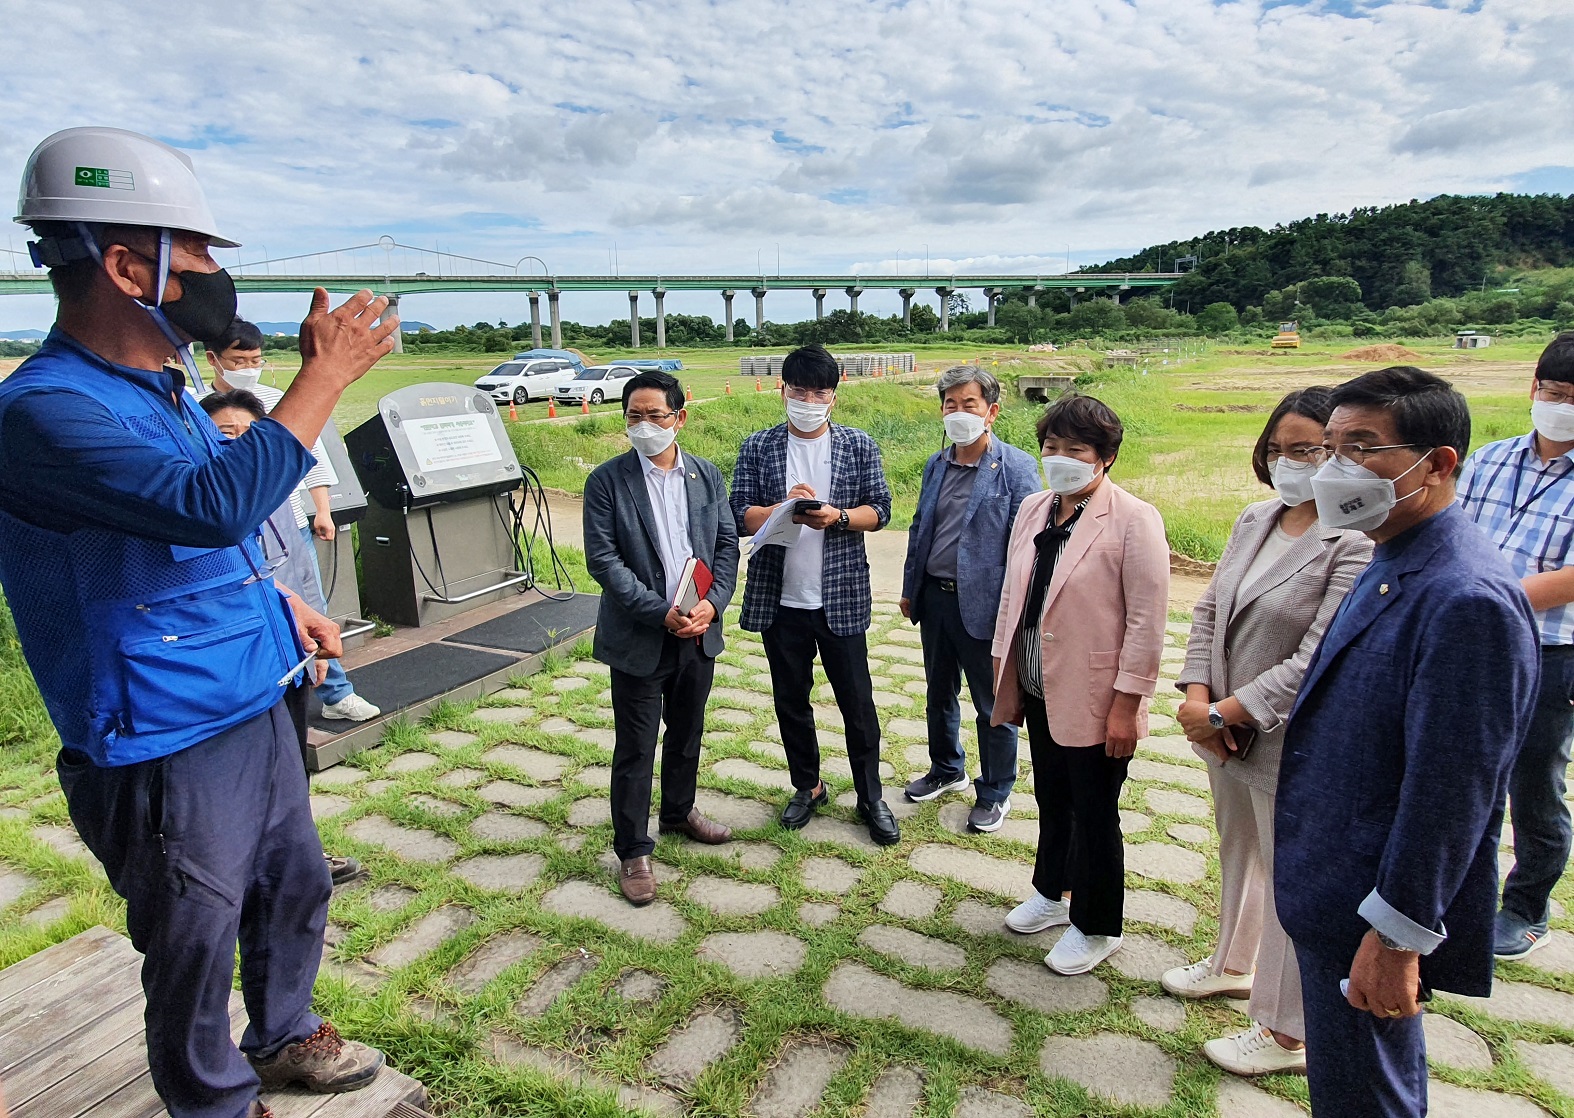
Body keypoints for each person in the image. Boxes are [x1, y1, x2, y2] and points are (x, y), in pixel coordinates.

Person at [0, 127, 397, 1118]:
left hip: (251, 687)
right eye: (203, 251)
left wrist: (281, 600)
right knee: (193, 932)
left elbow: (199, 543)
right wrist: (324, 376)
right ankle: (215, 1100)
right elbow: (208, 505)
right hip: (164, 730)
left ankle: (286, 1029)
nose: (220, 274)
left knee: (293, 883)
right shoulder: (44, 411)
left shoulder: (160, 389)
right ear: (130, 264)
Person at [1276, 366, 1539, 1117]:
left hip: (1371, 907)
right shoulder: (1392, 549)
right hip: (1336, 884)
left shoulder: (1465, 600)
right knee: (1352, 1082)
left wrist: (1397, 939)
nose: (1337, 468)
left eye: (1363, 447)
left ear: (1439, 463)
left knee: (1368, 1097)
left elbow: (1452, 793)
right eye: (1331, 447)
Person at [1162, 388, 1374, 1077]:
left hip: (1288, 738)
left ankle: (1287, 1031)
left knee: (1293, 881)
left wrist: (1227, 711)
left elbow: (1317, 654)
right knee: (1238, 852)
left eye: (1308, 449)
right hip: (1221, 729)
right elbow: (1208, 609)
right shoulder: (1257, 517)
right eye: (1278, 449)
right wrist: (1199, 698)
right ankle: (1231, 961)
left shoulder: (1355, 539)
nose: (1290, 463)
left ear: (1343, 452)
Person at [991, 394, 1169, 974]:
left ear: (1105, 457)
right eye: (1051, 447)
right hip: (1042, 684)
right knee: (1053, 797)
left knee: (1095, 812)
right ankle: (1051, 891)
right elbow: (1017, 596)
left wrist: (1127, 706)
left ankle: (1097, 925)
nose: (1060, 458)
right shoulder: (1036, 508)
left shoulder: (1133, 519)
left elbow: (1147, 621)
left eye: (1076, 449)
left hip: (1098, 697)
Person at [730, 344, 900, 845]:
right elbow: (739, 511)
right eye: (799, 391)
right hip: (781, 600)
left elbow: (882, 510)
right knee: (791, 701)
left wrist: (838, 517)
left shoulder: (858, 445)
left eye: (819, 392)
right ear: (782, 390)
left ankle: (871, 795)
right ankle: (807, 785)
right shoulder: (758, 446)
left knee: (858, 703)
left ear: (834, 395)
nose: (808, 400)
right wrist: (783, 507)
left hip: (840, 596)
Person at [583, 370, 740, 905]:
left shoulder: (706, 476)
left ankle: (678, 811)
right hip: (641, 635)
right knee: (635, 746)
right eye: (634, 415)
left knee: (687, 731)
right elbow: (603, 561)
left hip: (697, 632)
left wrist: (711, 604)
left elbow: (725, 547)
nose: (645, 425)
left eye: (656, 415)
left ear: (680, 418)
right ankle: (632, 849)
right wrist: (659, 612)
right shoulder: (607, 481)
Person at [200, 390, 364, 887]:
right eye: (224, 436)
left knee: (291, 763)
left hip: (283, 654)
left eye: (249, 436)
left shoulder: (278, 502)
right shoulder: (200, 508)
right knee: (231, 776)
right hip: (230, 667)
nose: (237, 446)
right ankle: (239, 869)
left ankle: (300, 855)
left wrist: (309, 645)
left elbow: (297, 584)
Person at [1457, 332, 1574, 961]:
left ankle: (1528, 907)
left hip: (1551, 653)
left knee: (1535, 784)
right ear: (1534, 389)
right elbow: (1455, 535)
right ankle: (1455, 894)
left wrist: (1473, 600)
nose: (1563, 407)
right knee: (1460, 773)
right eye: (1556, 394)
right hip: (1471, 646)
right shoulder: (1492, 459)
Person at [206, 317, 380, 724]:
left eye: (255, 359)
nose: (248, 367)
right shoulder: (198, 406)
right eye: (238, 359)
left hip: (288, 520)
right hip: (233, 530)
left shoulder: (279, 399)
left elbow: (311, 455)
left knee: (312, 605)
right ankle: (268, 703)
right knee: (255, 608)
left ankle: (337, 694)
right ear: (214, 359)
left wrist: (322, 508)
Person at [899, 365, 1041, 831]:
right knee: (939, 692)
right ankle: (947, 769)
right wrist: (909, 589)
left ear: (991, 411)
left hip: (987, 604)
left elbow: (1028, 545)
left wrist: (1017, 610)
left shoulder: (1016, 466)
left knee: (992, 702)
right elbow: (921, 529)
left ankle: (996, 789)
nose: (958, 413)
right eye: (950, 404)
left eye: (969, 404)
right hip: (936, 599)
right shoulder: (936, 464)